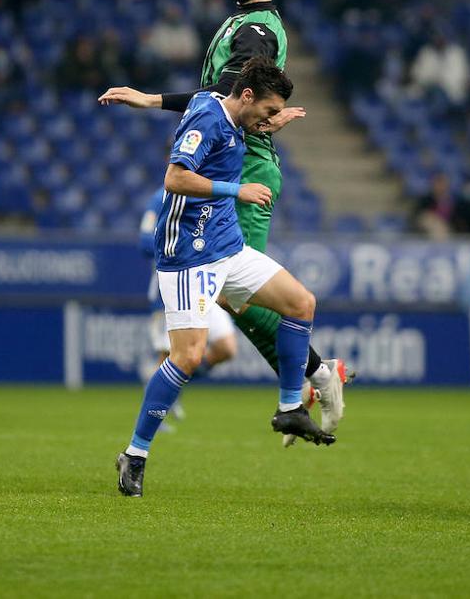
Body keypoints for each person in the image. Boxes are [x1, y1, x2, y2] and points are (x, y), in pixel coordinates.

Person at [99, 0, 351, 445]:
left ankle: (318, 375)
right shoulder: (243, 23)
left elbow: (227, 97)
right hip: (238, 166)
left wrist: (151, 100)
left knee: (240, 294)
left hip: (246, 168)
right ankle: (306, 382)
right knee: (237, 296)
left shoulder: (255, 30)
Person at [115, 60, 333, 498]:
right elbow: (175, 178)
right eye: (268, 111)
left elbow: (241, 129)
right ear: (247, 96)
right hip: (187, 256)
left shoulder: (232, 111)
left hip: (228, 247)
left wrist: (271, 126)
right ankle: (135, 455)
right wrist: (237, 190)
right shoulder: (207, 117)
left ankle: (290, 406)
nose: (268, 120)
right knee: (188, 357)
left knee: (300, 303)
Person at [137, 191, 237, 432]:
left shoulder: (210, 194)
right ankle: (154, 418)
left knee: (226, 347)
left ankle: (173, 382)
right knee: (168, 354)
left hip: (205, 285)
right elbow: (144, 242)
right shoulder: (158, 198)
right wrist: (184, 243)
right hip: (172, 287)